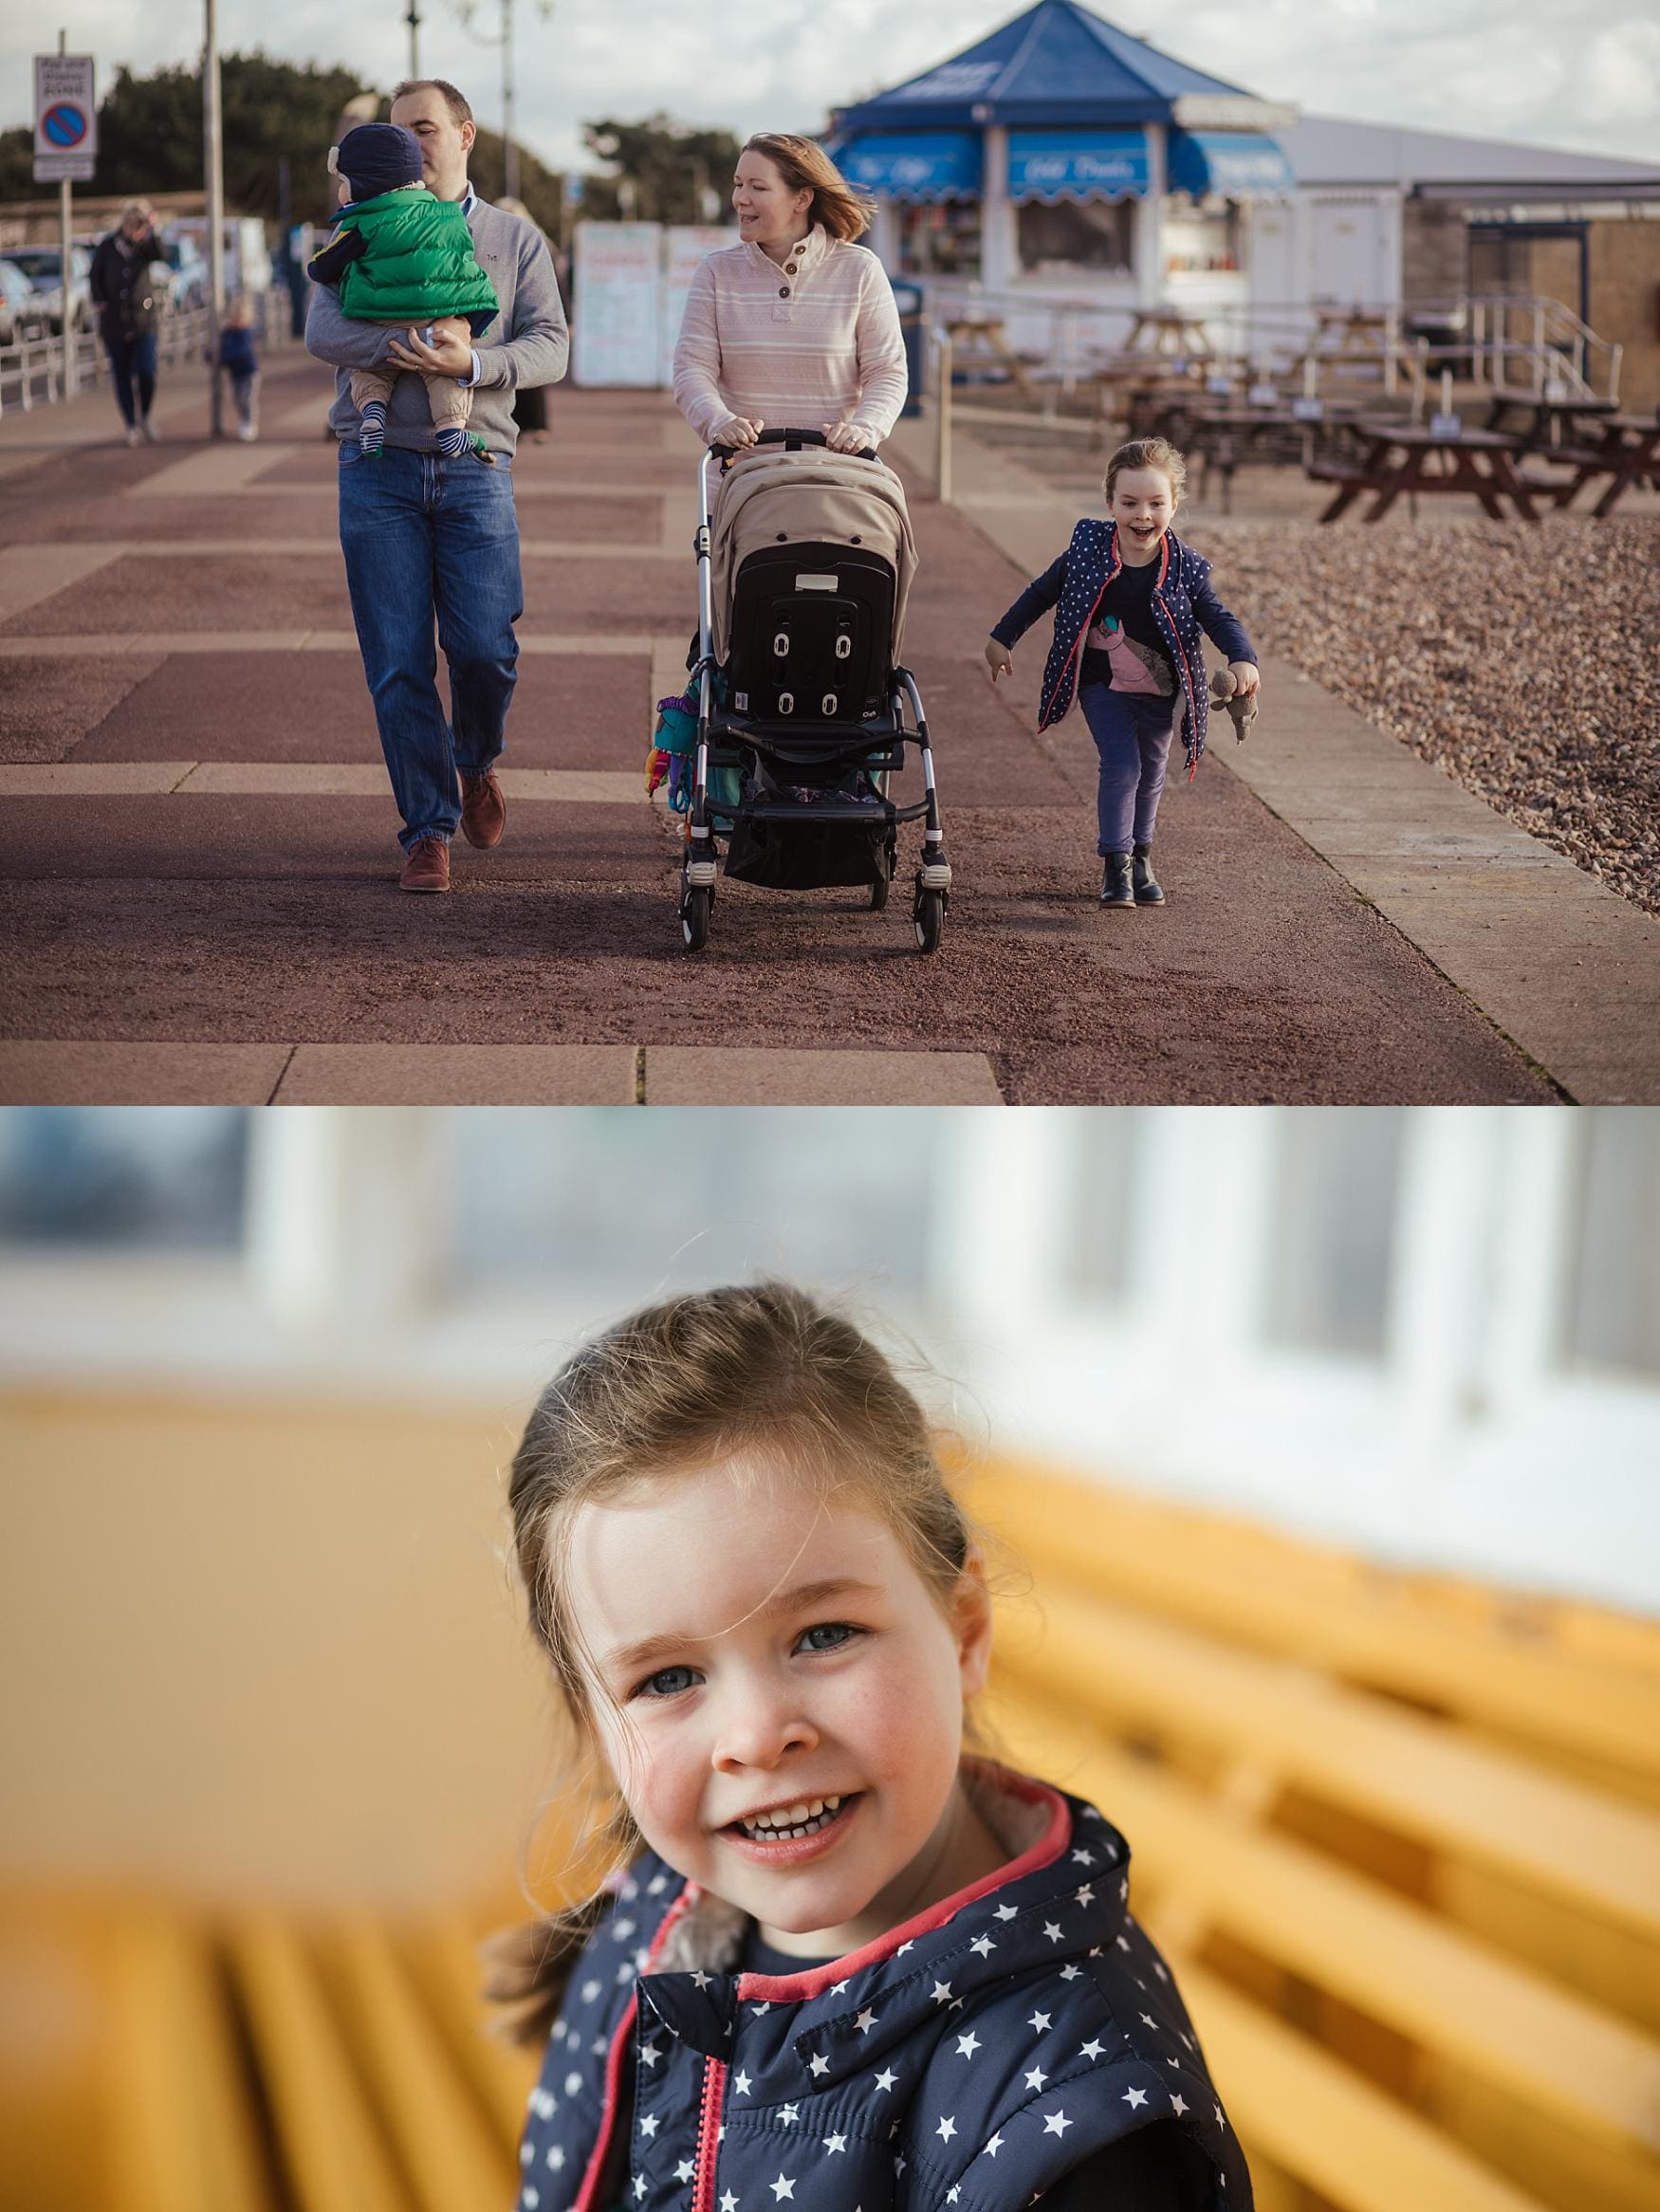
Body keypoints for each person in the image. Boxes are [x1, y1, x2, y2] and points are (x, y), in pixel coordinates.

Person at [486, 1281, 1252, 2212]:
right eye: (667, 1679)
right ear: (595, 1727)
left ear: (964, 1629)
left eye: (823, 1634)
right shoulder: (655, 1928)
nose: (759, 1736)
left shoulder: (1070, 2127)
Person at [304, 78, 568, 894]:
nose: (410, 144)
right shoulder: (355, 223)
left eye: (425, 127)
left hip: (476, 463)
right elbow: (321, 328)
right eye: (396, 131)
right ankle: (427, 829)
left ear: (466, 134)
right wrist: (402, 339)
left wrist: (475, 364)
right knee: (396, 661)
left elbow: (552, 346)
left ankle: (476, 761)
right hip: (374, 467)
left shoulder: (513, 238)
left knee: (486, 648)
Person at [984, 438, 1260, 909]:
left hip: (1161, 688)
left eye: (1156, 503)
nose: (1142, 515)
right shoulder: (1086, 552)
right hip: (1101, 684)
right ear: (1110, 502)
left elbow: (1217, 617)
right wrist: (1002, 638)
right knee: (1122, 765)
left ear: (1174, 505)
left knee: (1153, 770)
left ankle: (1142, 858)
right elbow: (1039, 593)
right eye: (1130, 503)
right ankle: (1116, 865)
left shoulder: (1185, 569)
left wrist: (1243, 657)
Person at [673, 135, 908, 457]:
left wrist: (863, 429)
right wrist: (718, 421)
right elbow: (691, 369)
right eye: (738, 184)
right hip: (737, 484)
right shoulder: (716, 272)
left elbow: (887, 371)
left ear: (801, 199)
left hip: (834, 480)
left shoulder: (860, 269)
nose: (740, 198)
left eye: (758, 187)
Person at [307, 121, 499, 460]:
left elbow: (323, 267)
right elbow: (466, 270)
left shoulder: (361, 222)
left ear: (364, 183)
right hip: (440, 317)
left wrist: (318, 263)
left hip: (383, 317)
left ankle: (373, 412)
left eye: (343, 182)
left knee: (370, 370)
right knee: (444, 372)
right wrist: (471, 318)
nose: (341, 190)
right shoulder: (448, 216)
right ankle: (452, 429)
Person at [89, 199, 164, 448]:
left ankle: (146, 415)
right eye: (133, 221)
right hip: (115, 322)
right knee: (121, 375)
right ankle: (131, 424)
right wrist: (100, 300)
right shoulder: (108, 246)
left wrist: (152, 229)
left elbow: (162, 255)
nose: (136, 227)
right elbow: (95, 275)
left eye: (139, 222)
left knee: (146, 371)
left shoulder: (145, 245)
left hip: (143, 321)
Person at [496, 198, 551, 443]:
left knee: (532, 376)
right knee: (508, 375)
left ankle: (538, 425)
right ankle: (515, 425)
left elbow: (552, 288)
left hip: (524, 315)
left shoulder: (533, 242)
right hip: (504, 317)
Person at [214, 295, 261, 441]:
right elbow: (221, 348)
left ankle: (249, 424)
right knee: (237, 399)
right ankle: (244, 421)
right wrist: (211, 356)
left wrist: (221, 360)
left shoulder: (245, 333)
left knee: (247, 398)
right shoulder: (227, 332)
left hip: (249, 371)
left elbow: (239, 352)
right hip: (236, 372)